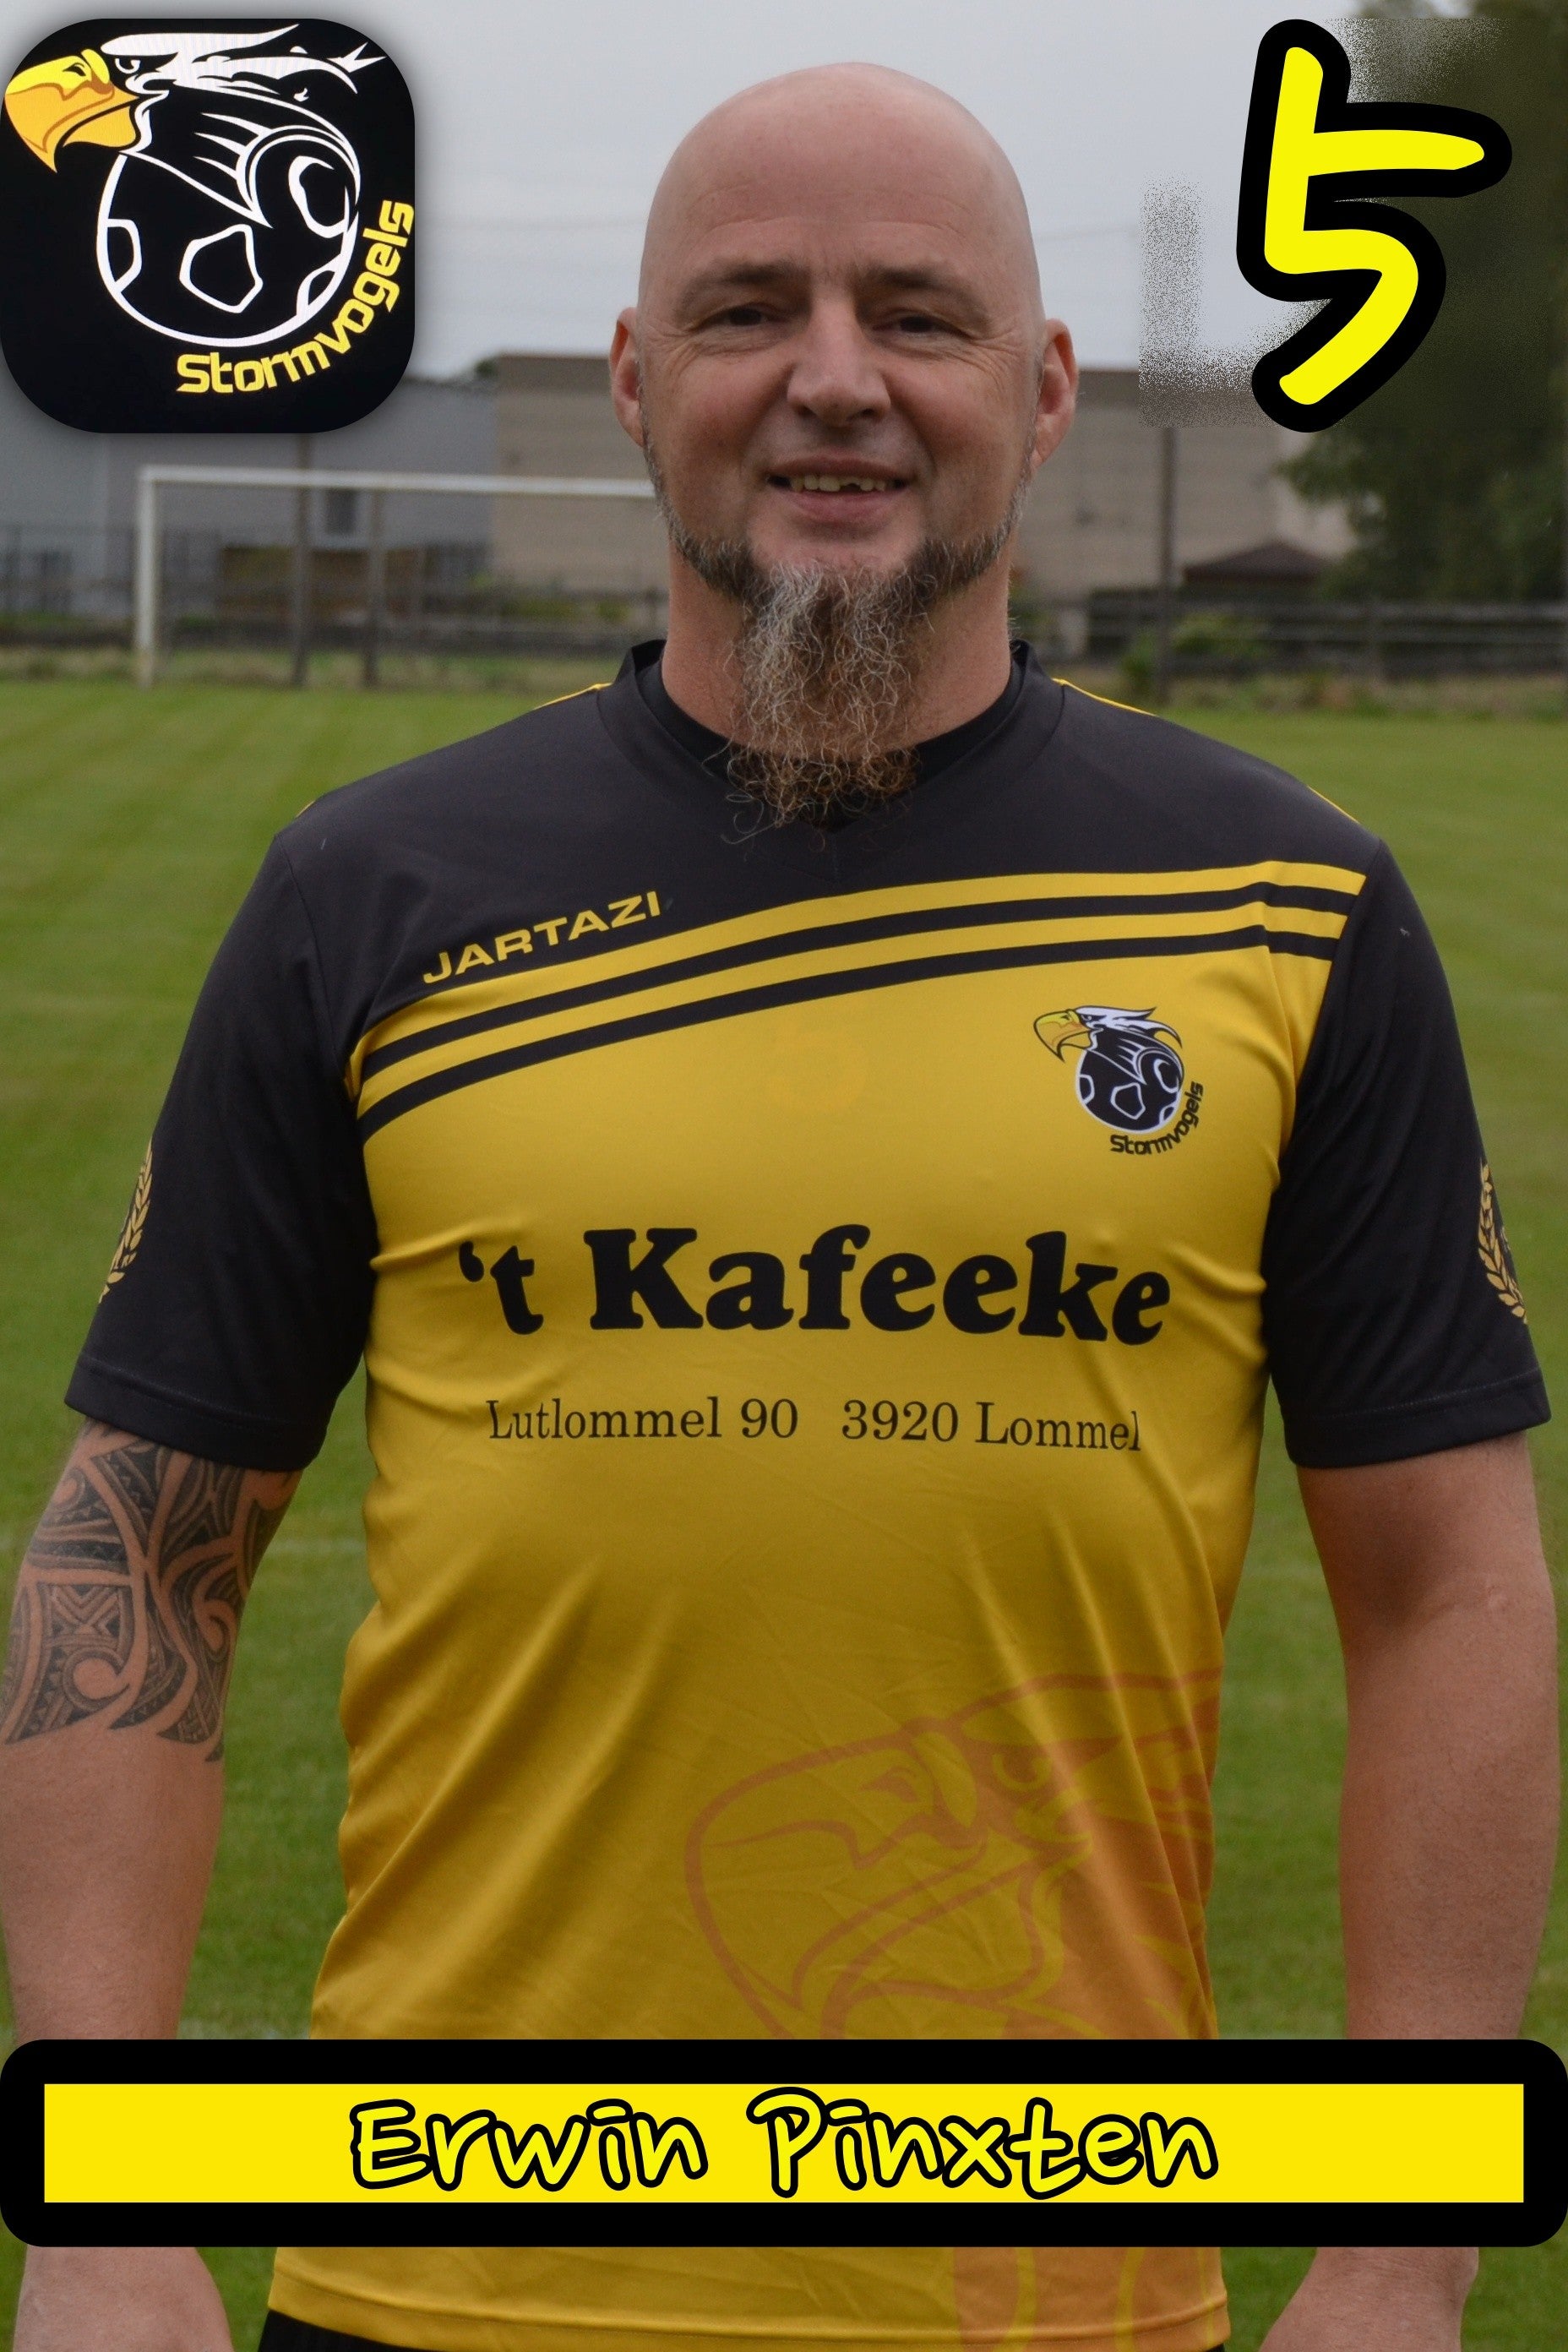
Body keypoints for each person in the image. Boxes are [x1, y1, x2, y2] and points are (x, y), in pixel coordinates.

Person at [0, 59, 1557, 2352]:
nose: (835, 378)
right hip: (431, 2278)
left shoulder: (1291, 909)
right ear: (641, 381)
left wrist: (1406, 2249)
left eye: (917, 314)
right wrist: (103, 2211)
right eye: (750, 311)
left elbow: (1449, 1594)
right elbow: (140, 1553)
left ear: (1043, 391)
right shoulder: (369, 892)